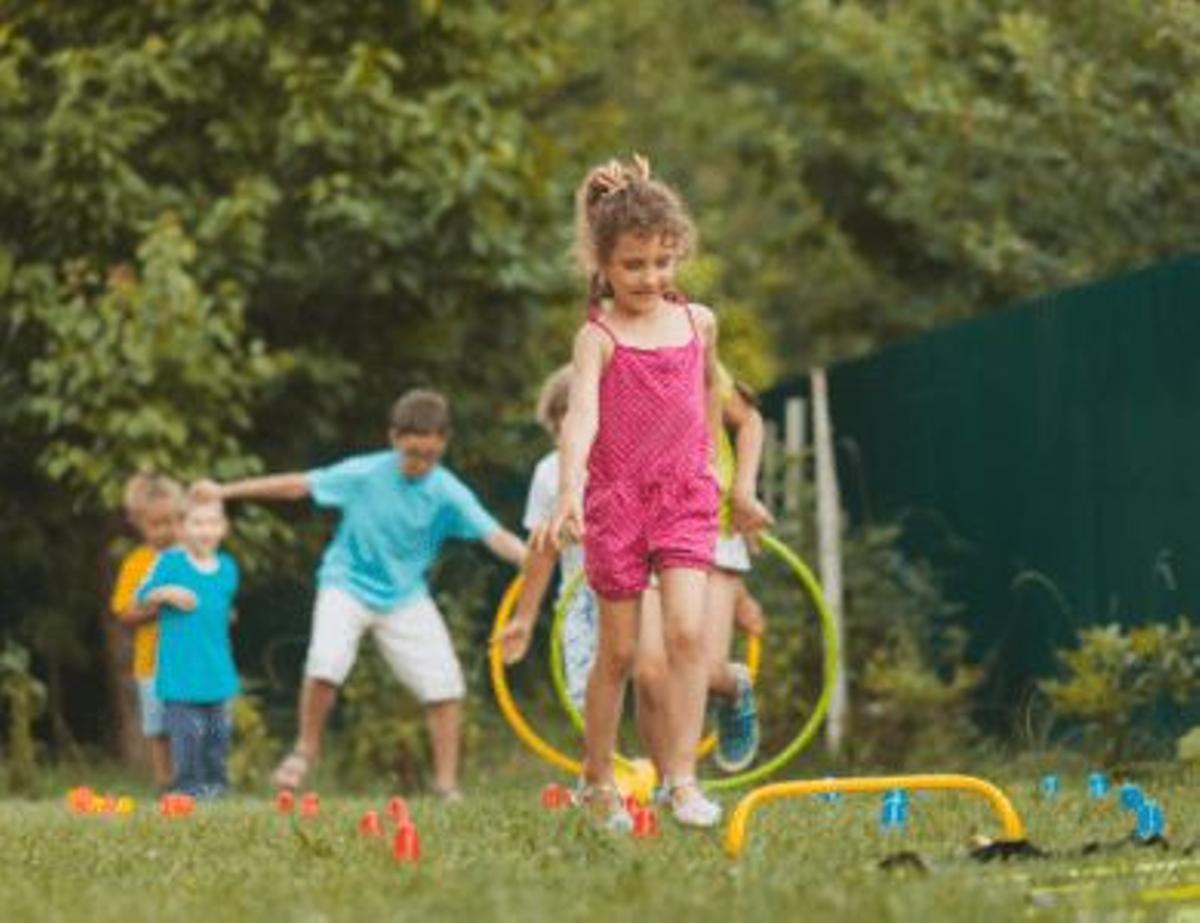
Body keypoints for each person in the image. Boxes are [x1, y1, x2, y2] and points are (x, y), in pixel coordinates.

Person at [192, 389, 525, 798]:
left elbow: (495, 535)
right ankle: (305, 751)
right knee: (326, 662)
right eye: (412, 453)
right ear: (393, 438)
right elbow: (298, 485)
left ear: (444, 443)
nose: (420, 463)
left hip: (405, 597)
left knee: (446, 686)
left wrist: (531, 559)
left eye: (430, 455)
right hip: (345, 584)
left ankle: (446, 786)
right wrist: (225, 492)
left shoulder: (447, 491)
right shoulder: (366, 473)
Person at [540, 154, 723, 829]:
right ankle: (597, 780)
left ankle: (683, 779)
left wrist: (713, 464)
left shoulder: (699, 323)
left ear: (678, 253)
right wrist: (568, 490)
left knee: (686, 632)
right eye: (634, 265)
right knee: (617, 653)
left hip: (684, 495)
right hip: (617, 501)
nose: (651, 277)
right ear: (603, 265)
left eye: (663, 262)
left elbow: (710, 389)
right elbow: (582, 415)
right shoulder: (599, 336)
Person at [499, 365, 771, 779]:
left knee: (684, 668)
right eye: (560, 427)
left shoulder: (683, 373)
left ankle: (717, 712)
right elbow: (543, 547)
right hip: (603, 587)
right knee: (629, 679)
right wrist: (523, 616)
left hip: (683, 548)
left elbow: (744, 421)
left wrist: (739, 594)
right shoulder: (555, 471)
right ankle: (639, 780)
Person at [136, 494, 239, 797]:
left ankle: (217, 790)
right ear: (182, 529)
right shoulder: (170, 563)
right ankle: (187, 792)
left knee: (218, 739)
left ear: (224, 527)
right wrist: (166, 592)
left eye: (212, 523)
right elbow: (142, 595)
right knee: (187, 739)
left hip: (217, 673)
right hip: (179, 677)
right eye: (197, 523)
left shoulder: (228, 568)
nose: (205, 530)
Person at [110, 473, 183, 790]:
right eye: (157, 524)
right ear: (139, 523)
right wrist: (157, 607)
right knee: (159, 728)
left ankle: (196, 782)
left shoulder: (192, 558)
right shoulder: (136, 564)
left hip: (192, 661)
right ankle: (165, 784)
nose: (167, 530)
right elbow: (124, 611)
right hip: (151, 663)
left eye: (173, 521)